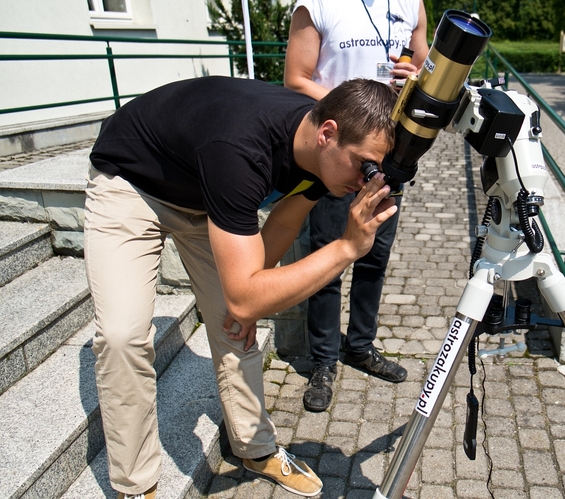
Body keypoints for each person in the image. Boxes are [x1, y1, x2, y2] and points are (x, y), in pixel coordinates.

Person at [84, 75, 398, 498]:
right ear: (328, 133)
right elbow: (248, 294)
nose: (366, 181)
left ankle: (256, 447)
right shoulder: (241, 149)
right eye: (364, 165)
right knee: (122, 336)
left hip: (205, 192)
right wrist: (345, 248)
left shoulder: (322, 158)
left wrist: (246, 294)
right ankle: (136, 486)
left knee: (234, 321)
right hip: (133, 181)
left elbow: (285, 220)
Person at [284, 0, 428, 412]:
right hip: (341, 158)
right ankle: (324, 360)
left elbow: (425, 69)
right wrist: (355, 120)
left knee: (373, 260)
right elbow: (295, 79)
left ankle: (361, 346)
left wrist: (412, 78)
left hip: (390, 157)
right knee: (329, 260)